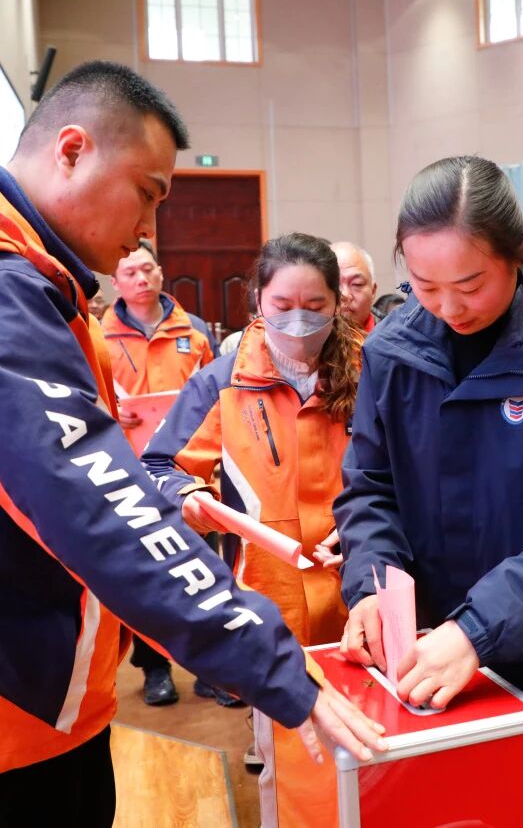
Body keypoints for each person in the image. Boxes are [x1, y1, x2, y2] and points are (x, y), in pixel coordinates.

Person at [0, 60, 385, 826]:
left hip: (39, 669)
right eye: (147, 192)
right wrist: (272, 664)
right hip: (0, 680)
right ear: (72, 150)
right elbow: (102, 507)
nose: (149, 230)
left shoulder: (19, 277)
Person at [334, 155, 523, 827]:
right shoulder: (391, 349)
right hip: (422, 654)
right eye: (425, 286)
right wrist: (370, 587)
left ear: (517, 255)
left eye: (469, 284)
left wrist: (477, 629)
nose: (448, 307)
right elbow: (369, 488)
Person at [142, 232, 363, 823]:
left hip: (363, 594)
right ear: (257, 301)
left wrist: (369, 527)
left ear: (337, 303)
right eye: (282, 305)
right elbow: (158, 467)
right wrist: (189, 495)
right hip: (271, 597)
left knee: (371, 751)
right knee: (290, 758)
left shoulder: (372, 374)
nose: (298, 320)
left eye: (314, 306)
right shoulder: (223, 382)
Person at [101, 238, 216, 706]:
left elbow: (218, 396)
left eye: (147, 269)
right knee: (146, 575)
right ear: (115, 282)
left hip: (189, 471)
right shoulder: (97, 335)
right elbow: (81, 400)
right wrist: (111, 412)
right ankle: (154, 668)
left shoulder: (195, 332)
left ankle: (210, 667)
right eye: (130, 272)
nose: (141, 279)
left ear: (161, 272)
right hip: (128, 472)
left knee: (203, 571)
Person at [331, 241, 379, 332]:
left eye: (357, 284)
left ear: (373, 291)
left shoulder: (395, 338)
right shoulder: (306, 338)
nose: (345, 294)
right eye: (335, 284)